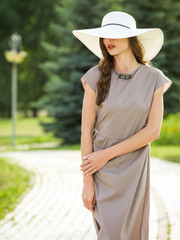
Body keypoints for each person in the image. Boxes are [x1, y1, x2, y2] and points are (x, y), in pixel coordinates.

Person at [72, 11, 172, 240]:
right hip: (101, 170)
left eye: (115, 35)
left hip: (134, 167)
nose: (108, 40)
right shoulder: (94, 77)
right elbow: (86, 131)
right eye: (105, 36)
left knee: (133, 234)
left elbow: (152, 131)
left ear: (131, 39)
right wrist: (87, 182)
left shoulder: (154, 78)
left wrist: (106, 154)